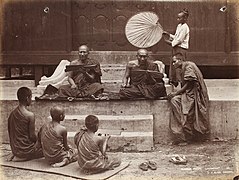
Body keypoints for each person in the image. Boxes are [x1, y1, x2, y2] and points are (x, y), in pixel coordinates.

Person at [167, 53, 209, 145]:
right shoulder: (182, 68)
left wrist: (176, 93)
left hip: (194, 95)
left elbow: (189, 84)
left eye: (174, 62)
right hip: (187, 94)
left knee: (186, 113)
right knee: (174, 100)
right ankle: (181, 133)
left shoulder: (189, 66)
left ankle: (188, 136)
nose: (173, 64)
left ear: (180, 60)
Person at [8, 87, 43, 161]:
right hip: (26, 150)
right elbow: (32, 136)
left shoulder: (12, 113)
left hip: (15, 149)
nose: (31, 99)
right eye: (31, 97)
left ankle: (19, 155)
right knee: (49, 149)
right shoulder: (30, 115)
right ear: (27, 98)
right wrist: (40, 141)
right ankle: (24, 156)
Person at [163, 9, 190, 87]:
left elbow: (180, 40)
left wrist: (169, 42)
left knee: (179, 67)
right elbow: (176, 37)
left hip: (180, 50)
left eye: (179, 18)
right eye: (177, 18)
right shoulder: (179, 26)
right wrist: (169, 35)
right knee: (173, 65)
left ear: (185, 18)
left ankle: (182, 84)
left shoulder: (185, 27)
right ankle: (174, 83)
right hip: (176, 49)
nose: (177, 19)